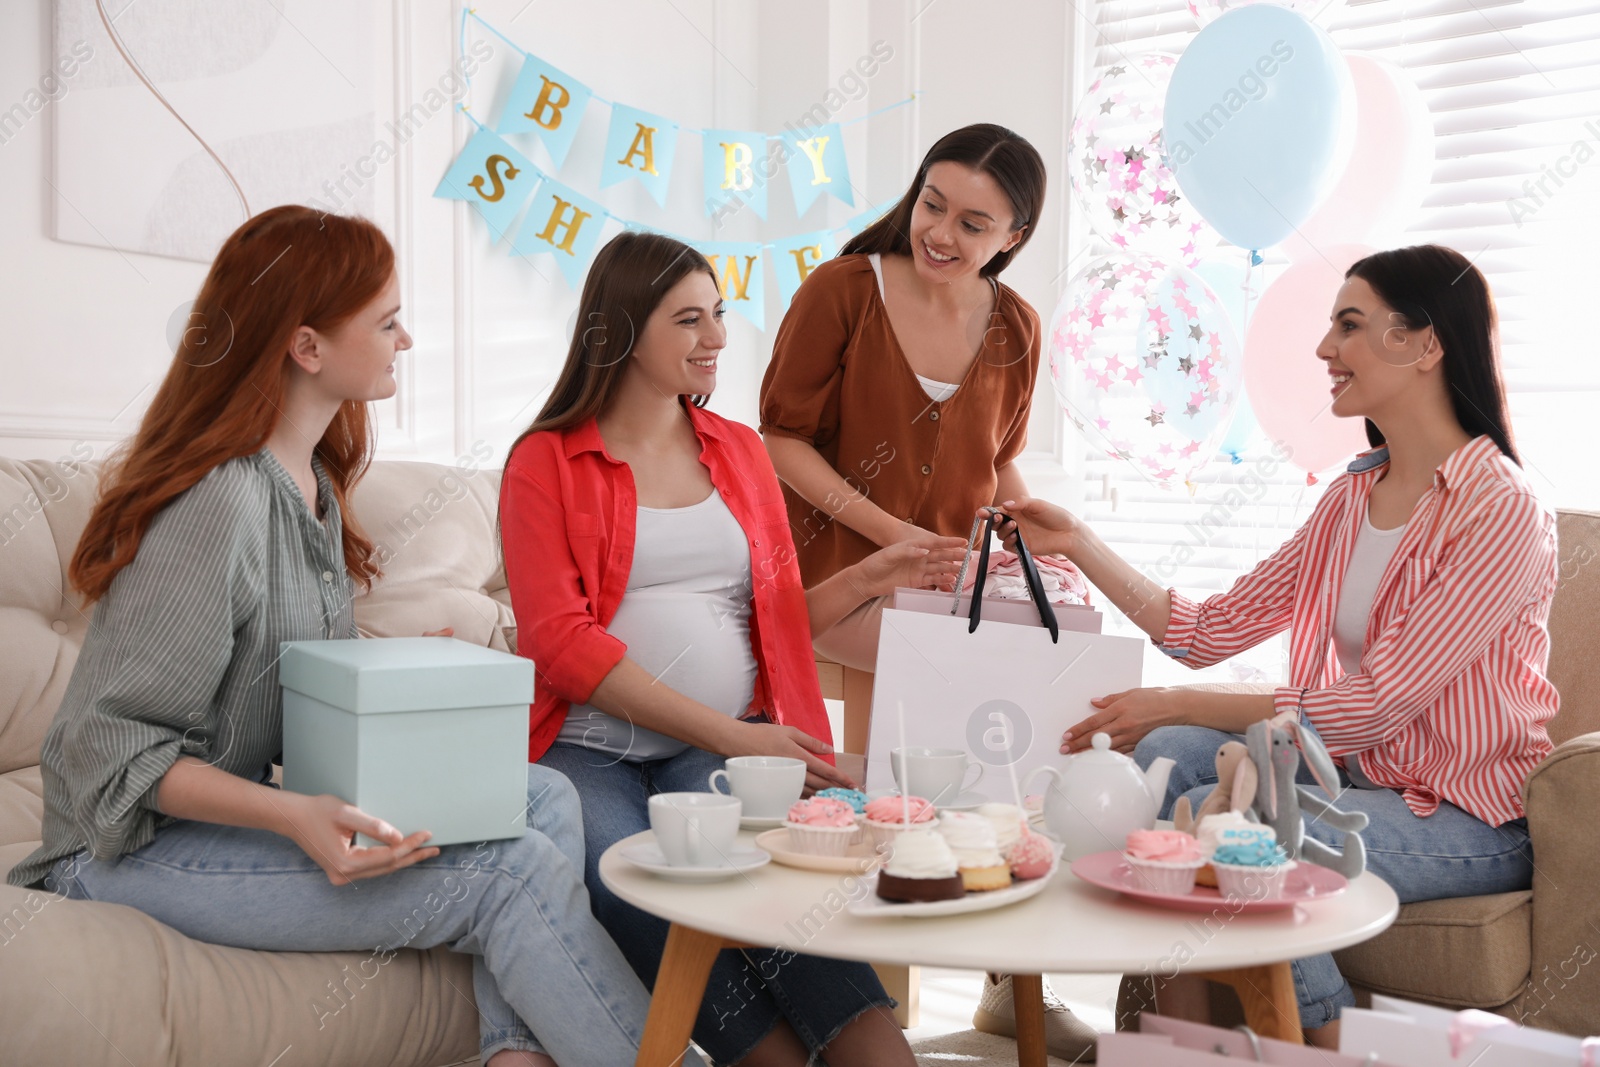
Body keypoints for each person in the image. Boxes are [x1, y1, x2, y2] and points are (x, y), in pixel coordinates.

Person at [7, 206, 658, 1067]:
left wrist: (394, 675)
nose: (408, 339)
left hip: (217, 823)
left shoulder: (307, 486)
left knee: (545, 799)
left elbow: (273, 677)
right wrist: (292, 814)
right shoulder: (219, 505)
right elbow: (118, 752)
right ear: (307, 347)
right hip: (120, 850)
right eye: (386, 321)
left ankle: (514, 1055)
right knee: (513, 871)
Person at [995, 245, 1553, 1046]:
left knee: (1241, 822)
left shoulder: (1498, 506)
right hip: (1357, 780)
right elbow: (1205, 630)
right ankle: (1170, 1043)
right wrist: (1077, 541)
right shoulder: (1352, 496)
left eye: (1350, 325)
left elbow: (1374, 704)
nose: (1326, 348)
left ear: (1425, 344)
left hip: (1468, 819)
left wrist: (1181, 699)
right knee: (1176, 752)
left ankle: (1314, 1042)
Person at [499, 230, 960, 1067]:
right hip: (590, 754)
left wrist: (868, 577)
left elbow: (774, 618)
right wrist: (734, 737)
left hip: (727, 736)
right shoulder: (545, 461)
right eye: (688, 320)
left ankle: (882, 1056)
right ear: (622, 333)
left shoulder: (738, 451)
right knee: (636, 881)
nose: (716, 338)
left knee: (783, 882)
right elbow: (560, 645)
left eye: (718, 313)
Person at [759, 124, 1101, 1059]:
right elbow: (778, 440)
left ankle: (1002, 976)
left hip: (952, 585)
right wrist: (892, 537)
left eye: (972, 221)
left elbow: (997, 466)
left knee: (1035, 683)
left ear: (1012, 235)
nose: (940, 231)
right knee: (944, 688)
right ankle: (879, 1003)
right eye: (932, 204)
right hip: (838, 573)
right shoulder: (843, 291)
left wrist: (1041, 528)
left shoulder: (1017, 326)